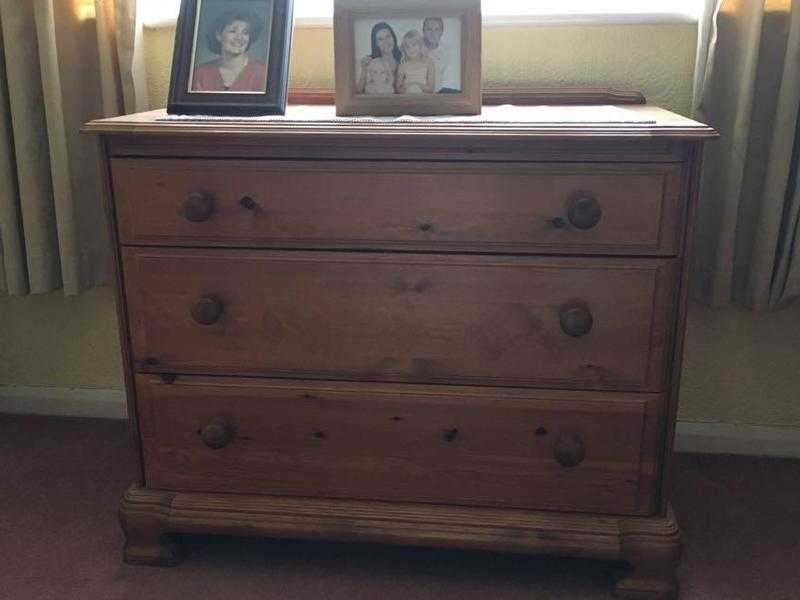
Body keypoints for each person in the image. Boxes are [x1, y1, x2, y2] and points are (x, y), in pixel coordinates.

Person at [191, 10, 267, 93]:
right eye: (232, 31)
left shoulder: (262, 73)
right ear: (218, 35)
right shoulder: (200, 74)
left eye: (245, 32)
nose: (239, 38)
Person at [357, 22, 402, 94]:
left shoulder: (403, 58)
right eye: (380, 39)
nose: (385, 42)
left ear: (393, 37)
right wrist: (364, 69)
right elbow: (358, 91)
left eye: (388, 36)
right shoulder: (370, 61)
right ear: (376, 43)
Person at [422, 17, 460, 93]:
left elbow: (449, 79)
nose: (433, 34)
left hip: (438, 93)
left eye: (437, 30)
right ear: (423, 31)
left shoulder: (447, 52)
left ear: (442, 32)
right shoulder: (413, 48)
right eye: (429, 29)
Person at [395, 30, 434, 95]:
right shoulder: (402, 65)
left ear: (420, 45)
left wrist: (415, 85)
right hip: (407, 97)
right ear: (404, 49)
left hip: (425, 97)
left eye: (414, 45)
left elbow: (431, 89)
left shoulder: (429, 63)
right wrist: (406, 89)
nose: (411, 49)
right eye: (407, 47)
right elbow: (398, 89)